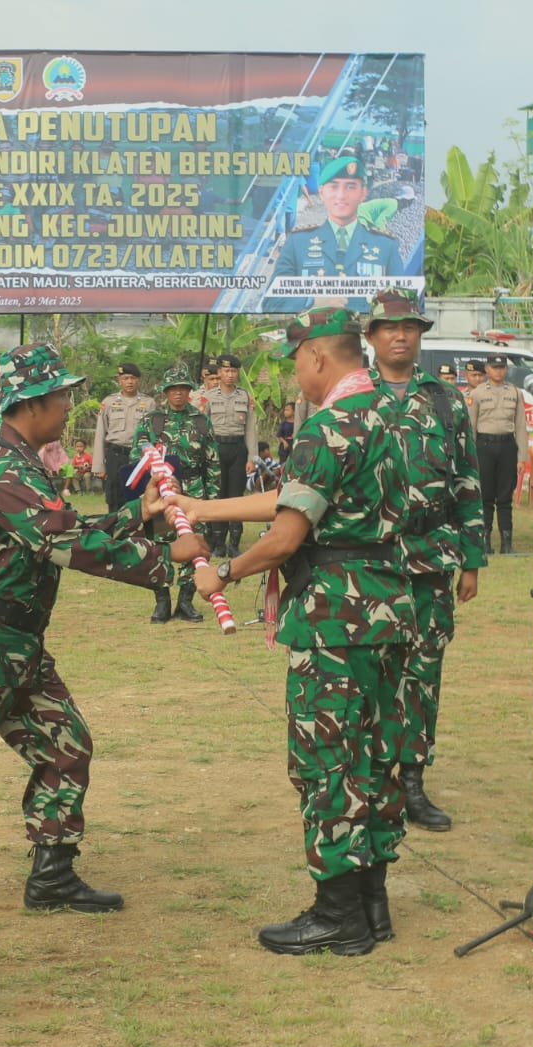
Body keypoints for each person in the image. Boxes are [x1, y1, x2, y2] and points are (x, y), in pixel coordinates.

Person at [183, 307, 414, 956]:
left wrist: (222, 571)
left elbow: (287, 534)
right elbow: (301, 494)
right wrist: (204, 506)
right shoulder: (390, 416)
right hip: (387, 610)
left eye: (296, 362)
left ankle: (337, 913)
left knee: (326, 763)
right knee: (373, 757)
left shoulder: (326, 426)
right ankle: (371, 903)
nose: (296, 375)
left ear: (316, 357)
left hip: (335, 619)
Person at [0, 343, 202, 918]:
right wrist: (166, 558)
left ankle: (53, 875)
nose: (68, 408)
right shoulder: (5, 468)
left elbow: (67, 525)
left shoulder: (25, 462)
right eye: (61, 398)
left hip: (20, 644)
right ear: (32, 403)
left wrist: (138, 514)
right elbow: (63, 542)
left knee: (65, 745)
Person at [364, 289, 485, 833]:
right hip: (367, 563)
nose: (401, 336)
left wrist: (472, 559)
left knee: (422, 673)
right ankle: (373, 781)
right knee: (372, 672)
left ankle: (412, 781)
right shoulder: (352, 395)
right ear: (371, 336)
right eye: (390, 328)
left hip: (431, 559)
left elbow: (467, 480)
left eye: (410, 327)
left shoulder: (446, 400)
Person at [131, 363, 220, 623]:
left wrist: (212, 499)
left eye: (182, 388)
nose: (178, 393)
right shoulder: (152, 420)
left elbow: (213, 462)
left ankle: (185, 601)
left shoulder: (201, 421)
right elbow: (136, 455)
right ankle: (162, 601)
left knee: (195, 544)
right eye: (173, 389)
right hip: (162, 491)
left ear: (189, 390)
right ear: (165, 392)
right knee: (161, 545)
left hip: (193, 490)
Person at [265, 154, 406, 313]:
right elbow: (271, 303)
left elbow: (404, 304)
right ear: (322, 193)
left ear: (363, 194)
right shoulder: (297, 243)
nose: (342, 195)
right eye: (334, 187)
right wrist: (311, 301)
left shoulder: (387, 246)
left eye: (351, 187)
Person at [201, 353, 257, 557]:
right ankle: (218, 543)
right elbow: (202, 427)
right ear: (220, 372)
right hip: (216, 449)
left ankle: (234, 542)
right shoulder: (209, 397)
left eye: (234, 371)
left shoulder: (245, 396)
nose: (230, 375)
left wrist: (252, 457)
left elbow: (250, 429)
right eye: (226, 371)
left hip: (237, 450)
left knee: (235, 496)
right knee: (217, 495)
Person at [466, 354, 521, 554]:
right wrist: (470, 455)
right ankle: (485, 541)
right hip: (484, 446)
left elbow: (520, 426)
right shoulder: (477, 394)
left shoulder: (515, 392)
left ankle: (507, 542)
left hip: (507, 446)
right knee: (486, 496)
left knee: (505, 497)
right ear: (487, 370)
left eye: (502, 367)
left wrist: (522, 457)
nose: (498, 371)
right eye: (494, 367)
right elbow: (471, 427)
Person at [90, 362, 156, 514]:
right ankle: (115, 527)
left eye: (133, 378)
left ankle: (139, 528)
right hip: (115, 456)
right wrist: (98, 466)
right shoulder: (109, 402)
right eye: (125, 378)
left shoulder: (149, 403)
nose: (129, 382)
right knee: (114, 498)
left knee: (141, 496)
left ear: (138, 380)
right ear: (119, 381)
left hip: (140, 457)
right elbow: (100, 433)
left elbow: (154, 435)